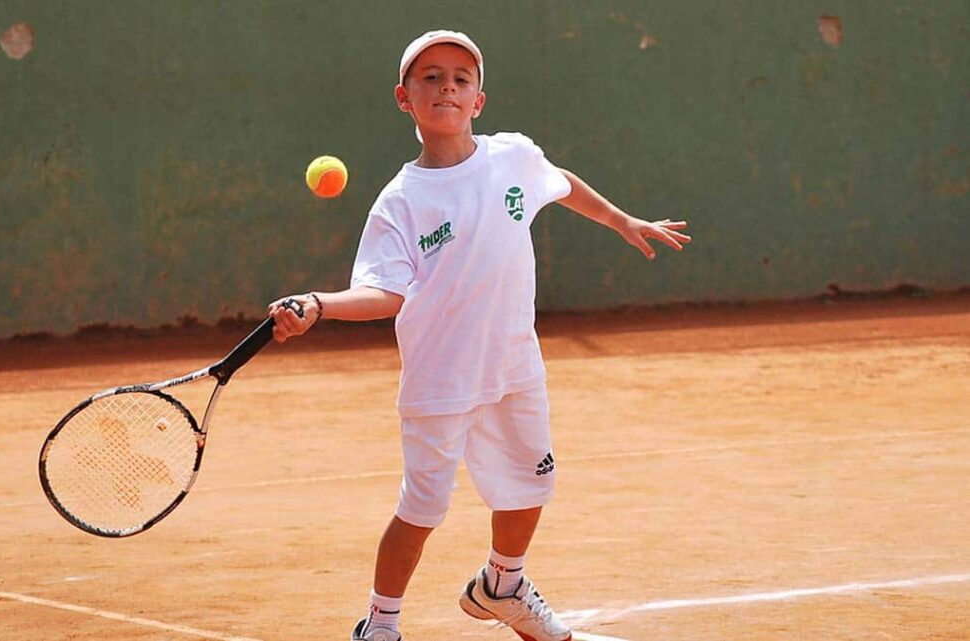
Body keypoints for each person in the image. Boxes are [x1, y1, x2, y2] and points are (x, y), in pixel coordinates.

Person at [268, 29, 690, 641]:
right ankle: (380, 624)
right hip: (442, 380)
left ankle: (503, 584)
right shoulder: (399, 203)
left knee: (530, 485)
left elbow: (561, 180)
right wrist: (319, 304)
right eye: (430, 77)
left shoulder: (513, 156)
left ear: (479, 102)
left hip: (515, 365)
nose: (447, 86)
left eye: (460, 79)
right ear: (403, 98)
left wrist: (620, 219)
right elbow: (385, 293)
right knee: (422, 510)